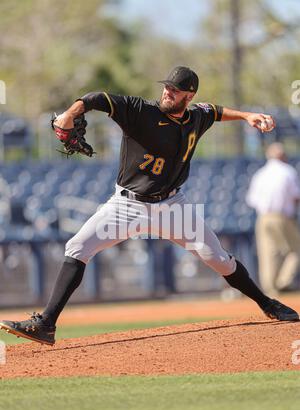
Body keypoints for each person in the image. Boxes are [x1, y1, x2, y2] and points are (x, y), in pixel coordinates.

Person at [0, 66, 298, 345]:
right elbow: (97, 98)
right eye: (167, 87)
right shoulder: (140, 111)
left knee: (218, 258)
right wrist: (70, 113)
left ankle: (267, 303)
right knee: (77, 248)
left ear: (189, 96)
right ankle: (46, 324)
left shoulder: (196, 117)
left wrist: (247, 116)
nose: (168, 92)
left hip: (172, 206)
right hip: (127, 205)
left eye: (175, 90)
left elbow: (216, 111)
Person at [246, 142, 300, 296]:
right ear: (282, 156)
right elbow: (296, 196)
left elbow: (252, 200)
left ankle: (270, 289)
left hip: (263, 217)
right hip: (281, 216)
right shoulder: (288, 171)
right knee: (296, 249)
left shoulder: (260, 173)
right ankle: (284, 281)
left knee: (268, 253)